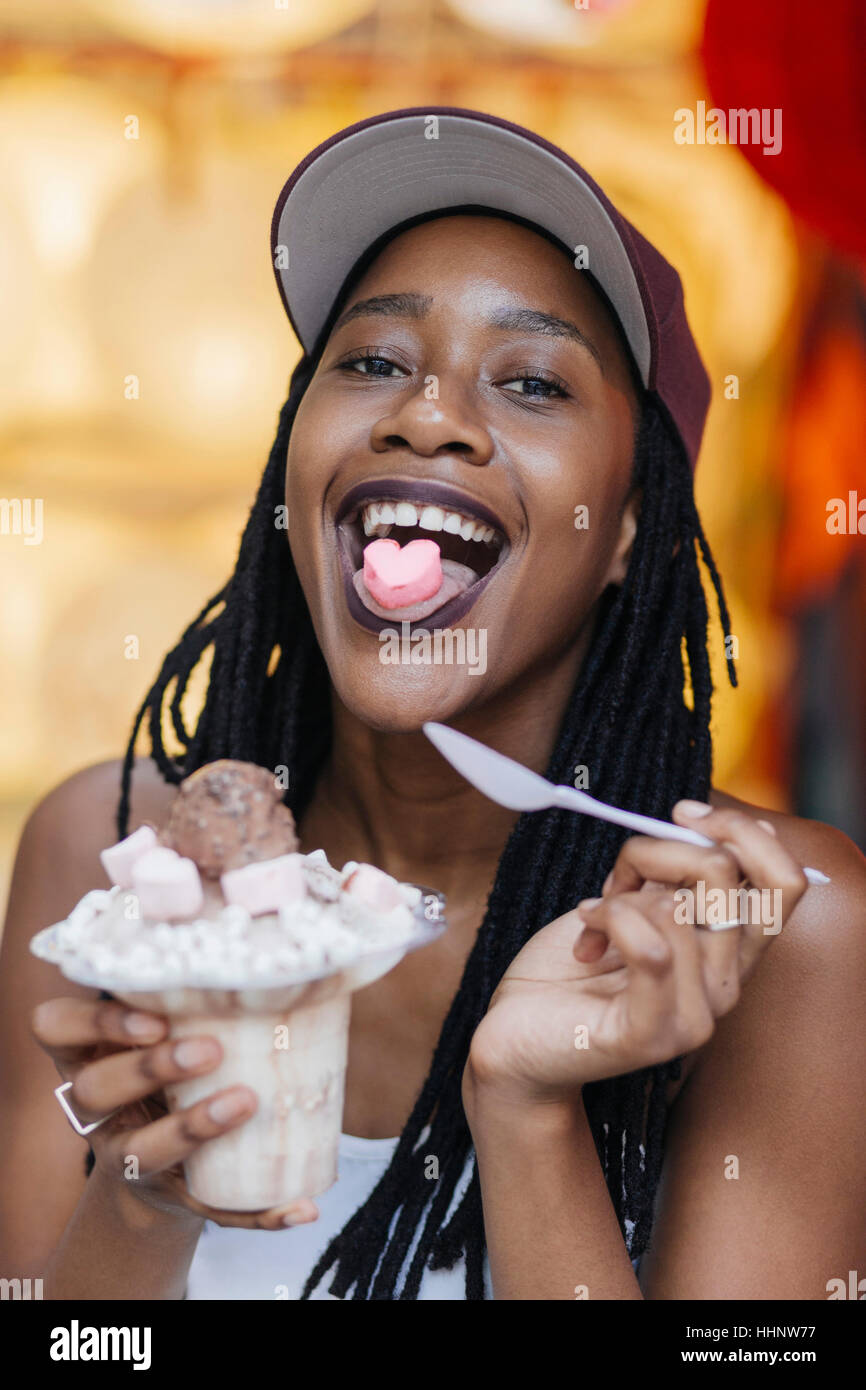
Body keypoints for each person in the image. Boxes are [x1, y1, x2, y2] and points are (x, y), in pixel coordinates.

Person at [1, 109, 864, 1301]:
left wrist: (524, 1110)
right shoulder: (102, 858)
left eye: (529, 380)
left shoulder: (779, 933)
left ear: (623, 531)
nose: (425, 412)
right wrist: (143, 1204)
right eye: (368, 362)